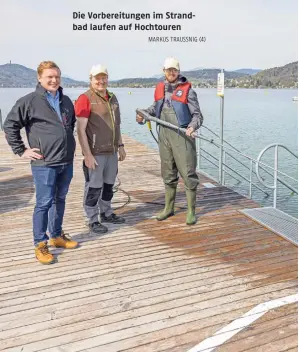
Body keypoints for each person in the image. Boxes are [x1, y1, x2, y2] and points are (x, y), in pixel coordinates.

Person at [3, 61, 78, 264]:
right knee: (44, 203)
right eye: (49, 77)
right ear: (39, 78)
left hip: (65, 160)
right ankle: (40, 243)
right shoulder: (29, 101)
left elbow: (70, 125)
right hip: (44, 163)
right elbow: (9, 125)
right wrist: (22, 150)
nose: (54, 80)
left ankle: (56, 235)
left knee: (59, 199)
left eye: (57, 77)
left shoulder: (66, 101)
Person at [136, 57, 203, 225]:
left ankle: (191, 211)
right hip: (164, 135)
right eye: (168, 70)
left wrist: (192, 127)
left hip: (182, 136)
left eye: (174, 70)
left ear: (178, 71)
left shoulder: (189, 91)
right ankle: (168, 208)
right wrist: (143, 115)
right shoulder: (160, 89)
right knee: (168, 172)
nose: (171, 72)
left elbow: (198, 115)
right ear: (164, 71)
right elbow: (153, 109)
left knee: (188, 173)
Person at [75, 64, 126, 235]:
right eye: (97, 78)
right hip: (95, 153)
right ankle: (92, 219)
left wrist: (120, 146)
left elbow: (116, 125)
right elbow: (80, 130)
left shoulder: (112, 98)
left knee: (108, 185)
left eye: (104, 77)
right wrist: (87, 154)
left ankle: (106, 213)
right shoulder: (85, 98)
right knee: (94, 187)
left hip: (111, 151)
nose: (101, 81)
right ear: (91, 79)